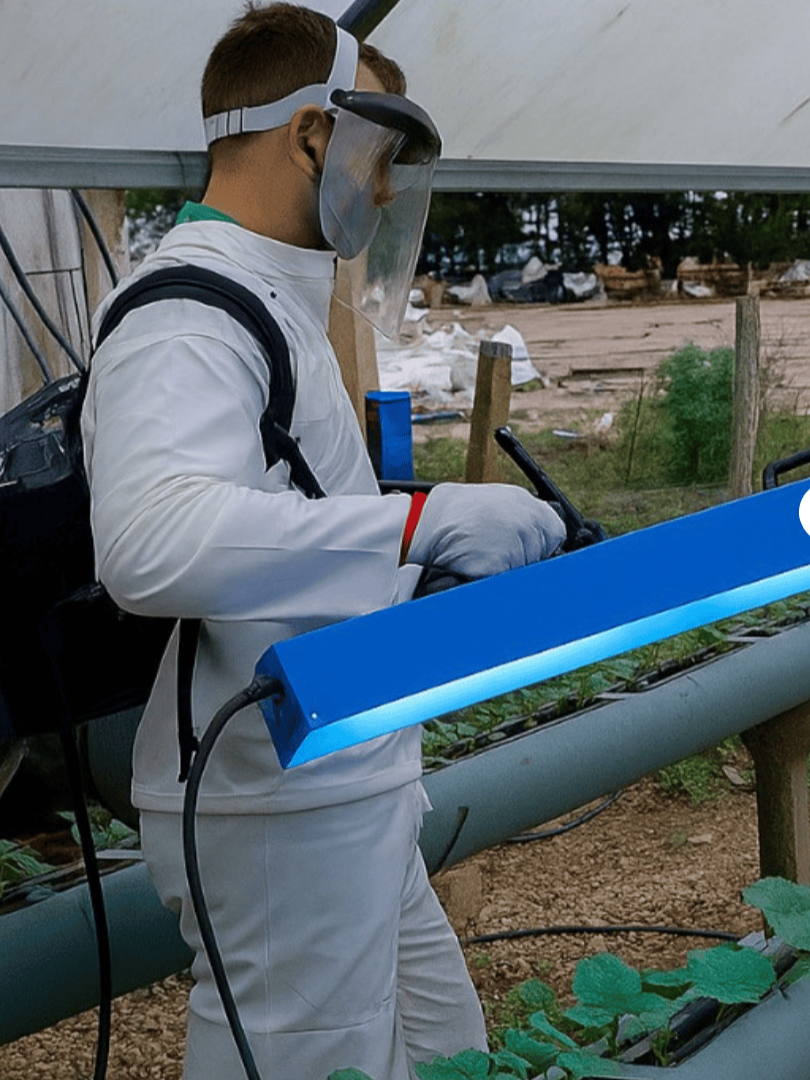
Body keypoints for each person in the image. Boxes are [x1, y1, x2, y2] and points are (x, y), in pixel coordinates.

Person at [80, 5, 565, 1079]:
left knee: (442, 1048)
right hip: (271, 799)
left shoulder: (265, 301)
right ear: (312, 133)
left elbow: (278, 512)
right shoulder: (188, 316)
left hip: (338, 772)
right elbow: (152, 542)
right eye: (379, 156)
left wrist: (411, 539)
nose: (385, 188)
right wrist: (419, 518)